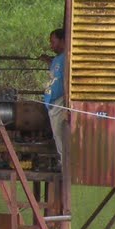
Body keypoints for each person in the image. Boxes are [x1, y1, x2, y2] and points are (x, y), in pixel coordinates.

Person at [42, 26, 68, 156]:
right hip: (53, 104)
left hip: (59, 102)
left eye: (53, 42)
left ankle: (65, 169)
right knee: (57, 137)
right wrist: (49, 61)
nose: (51, 45)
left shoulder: (66, 58)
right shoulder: (58, 59)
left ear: (63, 40)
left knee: (61, 139)